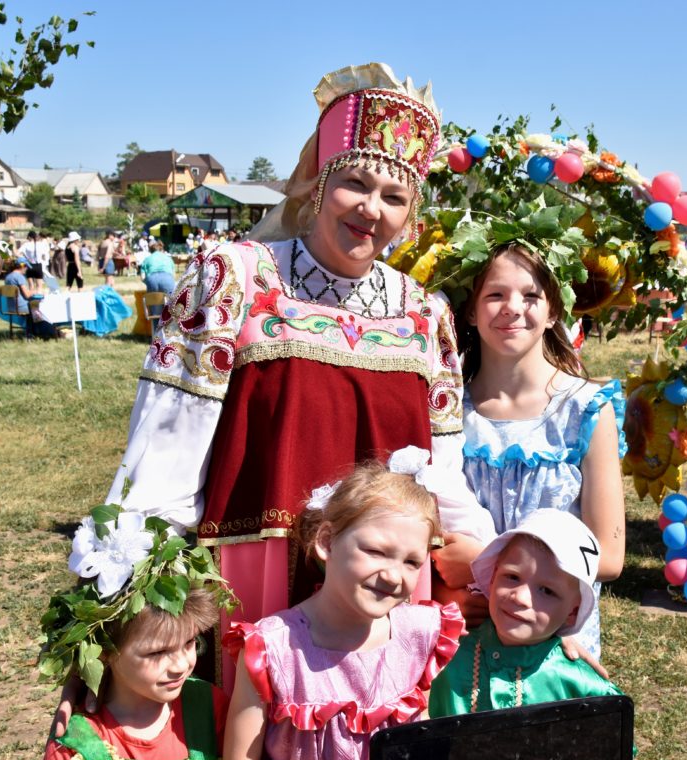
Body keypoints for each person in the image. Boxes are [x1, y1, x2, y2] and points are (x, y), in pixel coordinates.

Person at [102, 62, 495, 689]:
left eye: (394, 198)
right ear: (318, 182)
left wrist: (481, 559)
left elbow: (441, 475)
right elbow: (168, 448)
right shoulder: (235, 277)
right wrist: (129, 578)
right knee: (253, 745)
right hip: (256, 571)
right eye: (355, 185)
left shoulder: (427, 316)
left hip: (387, 583)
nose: (371, 209)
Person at [223, 453, 465, 760]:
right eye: (375, 551)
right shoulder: (273, 648)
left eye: (412, 562)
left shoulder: (420, 634)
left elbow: (420, 731)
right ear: (327, 542)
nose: (393, 575)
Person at [432, 242, 626, 660]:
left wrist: (485, 562)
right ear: (470, 310)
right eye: (495, 295)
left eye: (531, 295)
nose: (512, 308)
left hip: (554, 643)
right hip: (465, 630)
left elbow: (608, 557)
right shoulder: (445, 410)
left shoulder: (585, 409)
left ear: (553, 310)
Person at [36, 509, 243, 760]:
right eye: (157, 653)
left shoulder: (210, 706)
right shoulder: (80, 742)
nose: (181, 665)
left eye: (189, 643)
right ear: (104, 650)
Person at [429, 509, 621, 717]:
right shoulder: (446, 655)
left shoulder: (580, 684)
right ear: (493, 578)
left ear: (572, 612)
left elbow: (610, 744)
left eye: (547, 591)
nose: (520, 597)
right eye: (512, 576)